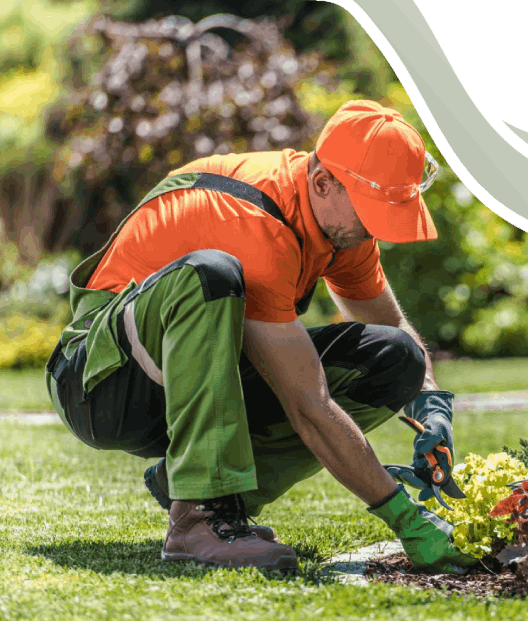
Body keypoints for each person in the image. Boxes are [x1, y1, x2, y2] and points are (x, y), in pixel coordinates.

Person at [45, 99, 478, 576]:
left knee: (397, 357)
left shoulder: (341, 227)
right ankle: (199, 517)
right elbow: (308, 405)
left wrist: (431, 403)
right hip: (100, 384)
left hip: (180, 378)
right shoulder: (253, 223)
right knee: (210, 274)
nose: (378, 232)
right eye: (373, 214)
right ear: (322, 183)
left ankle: (206, 492)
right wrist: (404, 517)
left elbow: (395, 330)